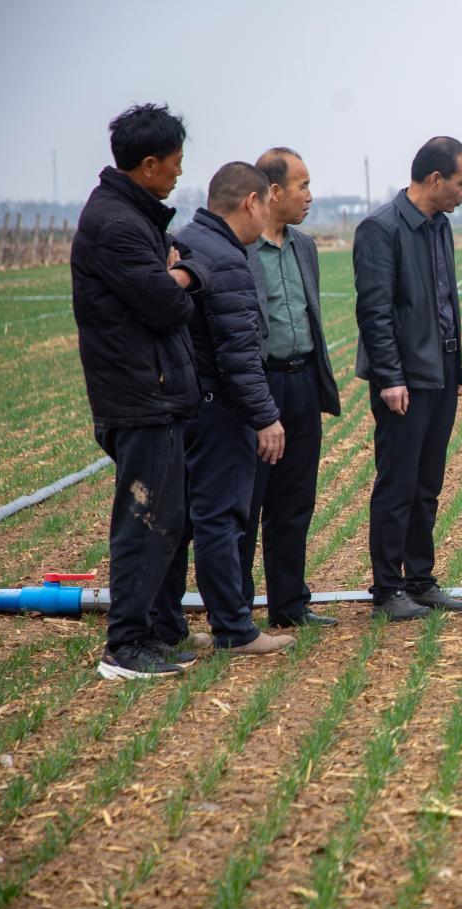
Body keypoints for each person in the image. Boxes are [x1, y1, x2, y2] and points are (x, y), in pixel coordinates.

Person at [71, 103, 209, 679]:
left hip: (157, 394)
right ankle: (125, 647)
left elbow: (181, 272)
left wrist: (180, 270)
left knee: (169, 520)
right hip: (138, 397)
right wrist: (180, 275)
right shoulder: (118, 225)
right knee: (143, 521)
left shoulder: (137, 216)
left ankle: (155, 631)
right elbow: (167, 304)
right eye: (174, 164)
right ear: (148, 164)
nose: (179, 173)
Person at [170, 162, 294, 656]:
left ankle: (169, 624)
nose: (267, 214)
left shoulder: (187, 240)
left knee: (180, 522)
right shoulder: (226, 258)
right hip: (218, 409)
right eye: (266, 204)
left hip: (183, 404)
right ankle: (234, 630)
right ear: (251, 202)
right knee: (221, 519)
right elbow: (239, 352)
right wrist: (264, 416)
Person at [355, 137, 462, 620]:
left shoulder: (438, 226)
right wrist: (389, 377)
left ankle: (420, 580)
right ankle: (388, 588)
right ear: (434, 180)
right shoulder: (380, 229)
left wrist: (457, 366)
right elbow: (375, 311)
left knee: (427, 482)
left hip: (440, 370)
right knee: (397, 481)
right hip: (403, 376)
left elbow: (445, 303)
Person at [242, 148, 341, 629]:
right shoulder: (238, 249)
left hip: (302, 382)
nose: (309, 195)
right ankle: (237, 609)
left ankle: (289, 604)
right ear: (273, 192)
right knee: (247, 501)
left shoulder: (304, 246)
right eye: (302, 185)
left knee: (295, 500)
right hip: (259, 387)